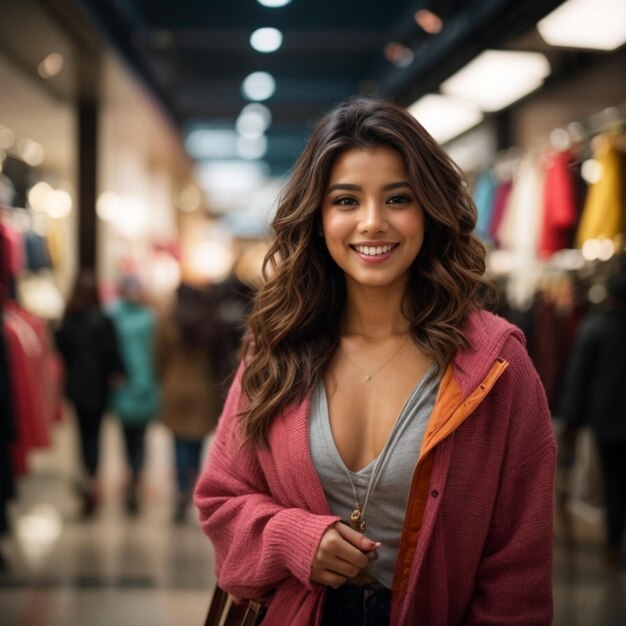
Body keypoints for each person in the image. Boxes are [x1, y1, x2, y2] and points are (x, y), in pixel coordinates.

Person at [194, 97, 556, 625]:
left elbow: (517, 572)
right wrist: (295, 539)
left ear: (428, 211)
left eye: (397, 198)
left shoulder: (496, 366)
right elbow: (222, 500)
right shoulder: (275, 346)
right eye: (346, 200)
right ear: (317, 217)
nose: (371, 222)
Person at [561, 267, 626, 568]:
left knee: (613, 481)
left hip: (608, 422)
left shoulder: (595, 329)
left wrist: (572, 421)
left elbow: (579, 378)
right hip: (608, 419)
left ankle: (614, 544)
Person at [55, 270, 125, 517]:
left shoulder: (69, 319)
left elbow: (61, 349)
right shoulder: (103, 321)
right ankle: (91, 480)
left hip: (76, 387)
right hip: (97, 388)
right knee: (94, 437)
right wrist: (117, 372)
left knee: (82, 436)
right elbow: (112, 354)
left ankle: (86, 479)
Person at [155, 282, 221, 523]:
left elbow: (158, 354)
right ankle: (192, 487)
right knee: (196, 442)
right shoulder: (209, 322)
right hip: (203, 388)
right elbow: (219, 358)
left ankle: (181, 489)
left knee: (178, 442)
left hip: (175, 386)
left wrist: (161, 377)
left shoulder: (168, 321)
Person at [107, 274, 159, 515]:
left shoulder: (113, 315)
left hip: (126, 385)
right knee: (138, 437)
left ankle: (132, 476)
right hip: (139, 384)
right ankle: (135, 477)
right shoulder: (148, 318)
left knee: (130, 435)